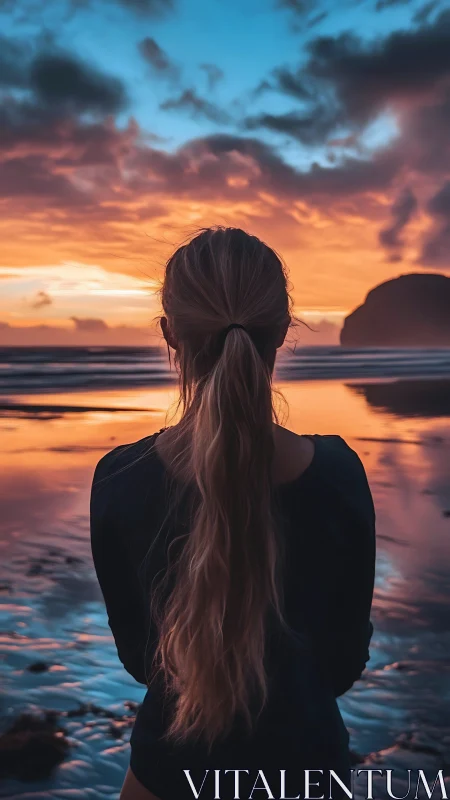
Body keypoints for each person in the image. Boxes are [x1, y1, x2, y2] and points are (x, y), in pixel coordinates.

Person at [90, 226, 376, 800]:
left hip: (168, 773)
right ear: (283, 332)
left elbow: (142, 662)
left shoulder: (120, 478)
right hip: (309, 772)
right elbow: (342, 664)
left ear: (169, 335)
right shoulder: (340, 473)